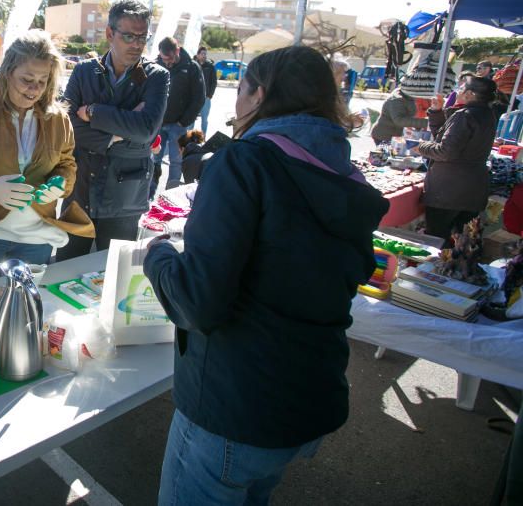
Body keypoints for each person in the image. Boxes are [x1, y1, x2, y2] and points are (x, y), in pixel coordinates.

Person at [144, 46, 388, 504]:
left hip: (235, 405)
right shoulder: (345, 172)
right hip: (306, 398)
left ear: (259, 96)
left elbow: (198, 301)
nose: (237, 102)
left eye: (242, 90)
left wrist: (158, 256)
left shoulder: (245, 162)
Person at [0, 31, 94, 277]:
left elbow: (67, 165)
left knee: (26, 309)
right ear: (8, 73)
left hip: (37, 237)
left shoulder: (59, 119)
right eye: (27, 79)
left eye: (43, 81)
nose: (35, 89)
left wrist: (60, 183)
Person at [55, 0, 169, 261]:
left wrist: (94, 112)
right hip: (80, 189)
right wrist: (117, 135)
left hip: (123, 197)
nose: (137, 44)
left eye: (143, 37)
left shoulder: (156, 76)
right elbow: (68, 127)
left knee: (112, 278)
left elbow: (145, 131)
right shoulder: (84, 71)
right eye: (129, 36)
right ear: (110, 34)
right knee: (64, 270)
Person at [415, 76, 498, 245]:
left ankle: (437, 270)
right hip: (472, 189)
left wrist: (421, 146)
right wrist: (437, 112)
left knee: (437, 241)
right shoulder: (487, 114)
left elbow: (445, 151)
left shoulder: (466, 115)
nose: (458, 91)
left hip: (449, 191)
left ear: (469, 94)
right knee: (461, 242)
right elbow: (448, 138)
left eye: (461, 88)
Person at [151, 37, 204, 195]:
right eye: (163, 58)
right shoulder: (156, 64)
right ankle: (150, 193)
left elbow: (199, 97)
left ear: (177, 51)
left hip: (179, 126)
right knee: (154, 159)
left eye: (170, 58)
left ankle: (170, 194)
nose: (167, 62)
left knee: (176, 161)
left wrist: (184, 121)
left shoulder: (192, 68)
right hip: (158, 123)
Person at [196, 46, 216, 133]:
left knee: (204, 120)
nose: (204, 55)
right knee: (190, 120)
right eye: (202, 54)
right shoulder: (193, 65)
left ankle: (203, 138)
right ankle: (189, 139)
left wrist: (210, 95)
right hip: (194, 98)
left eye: (205, 54)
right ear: (197, 55)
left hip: (206, 98)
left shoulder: (210, 66)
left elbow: (214, 82)